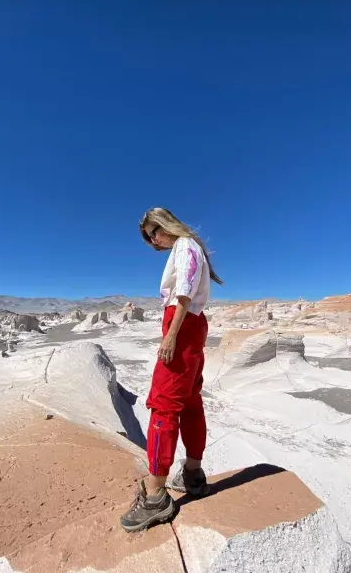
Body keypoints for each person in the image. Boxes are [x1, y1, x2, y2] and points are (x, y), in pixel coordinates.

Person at [120, 207, 225, 533]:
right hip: (192, 327)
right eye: (149, 238)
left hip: (182, 326)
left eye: (154, 232)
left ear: (166, 224)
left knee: (163, 406)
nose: (154, 241)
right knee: (190, 402)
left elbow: (183, 294)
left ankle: (155, 496)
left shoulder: (184, 246)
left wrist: (171, 336)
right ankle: (193, 475)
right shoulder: (190, 247)